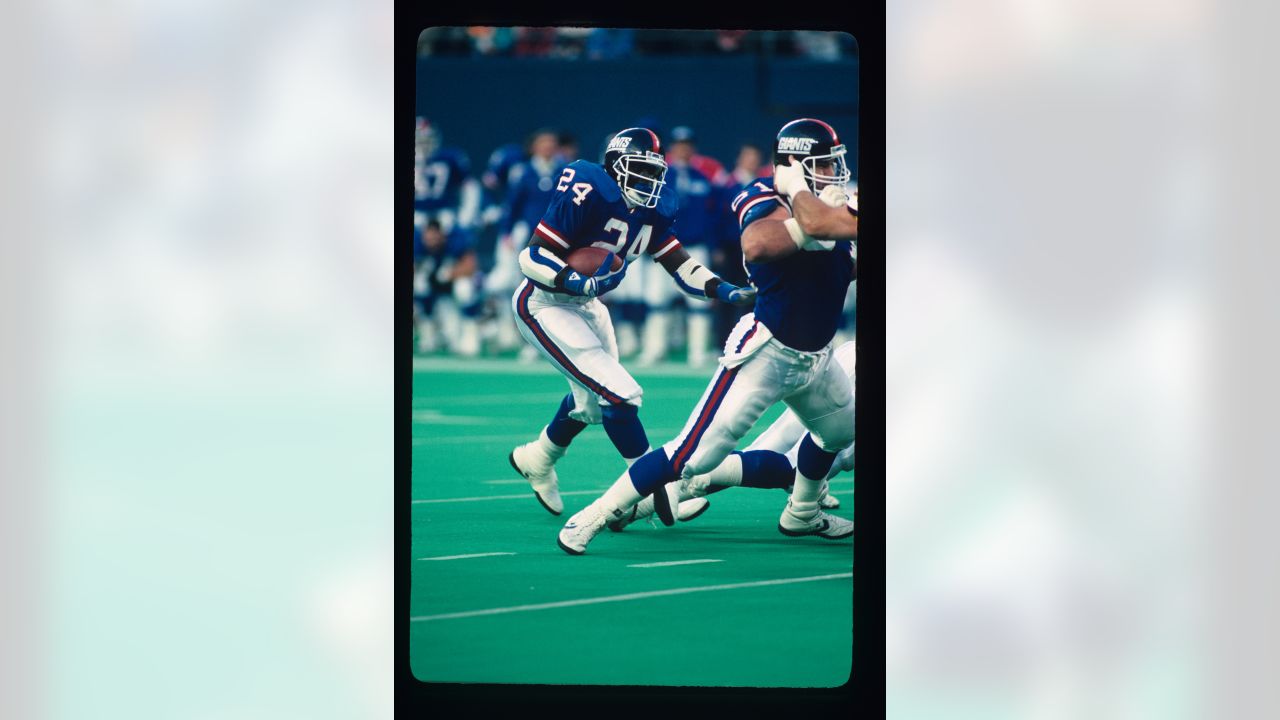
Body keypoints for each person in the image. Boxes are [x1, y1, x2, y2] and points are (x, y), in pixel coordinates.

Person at [557, 118, 858, 554]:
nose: (834, 174)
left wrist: (834, 228)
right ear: (794, 163)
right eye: (824, 165)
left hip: (817, 358)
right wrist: (805, 205)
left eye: (834, 165)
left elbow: (839, 263)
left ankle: (803, 512)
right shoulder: (763, 194)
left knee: (839, 433)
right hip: (766, 352)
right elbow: (758, 245)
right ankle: (594, 515)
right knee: (690, 456)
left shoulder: (829, 206)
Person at [508, 128, 756, 516]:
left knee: (590, 403)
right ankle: (659, 491)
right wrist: (576, 279)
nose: (650, 181)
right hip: (545, 303)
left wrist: (726, 290)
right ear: (614, 167)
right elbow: (531, 257)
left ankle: (537, 459)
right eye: (640, 170)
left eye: (655, 172)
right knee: (620, 394)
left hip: (588, 306)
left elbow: (681, 264)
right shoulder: (588, 188)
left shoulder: (652, 211)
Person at [607, 340, 853, 531]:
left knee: (775, 451)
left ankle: (633, 506)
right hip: (816, 355)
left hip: (834, 355)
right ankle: (668, 484)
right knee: (796, 471)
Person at [635, 126, 723, 367]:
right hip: (662, 247)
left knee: (700, 299)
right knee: (656, 300)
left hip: (695, 246)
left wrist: (712, 244)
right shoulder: (657, 176)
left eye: (688, 144)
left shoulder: (702, 178)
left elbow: (713, 216)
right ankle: (654, 349)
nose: (683, 149)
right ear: (671, 148)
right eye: (679, 144)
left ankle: (697, 352)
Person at [488, 130, 564, 359]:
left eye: (552, 143)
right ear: (534, 147)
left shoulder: (564, 171)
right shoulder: (524, 172)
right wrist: (507, 232)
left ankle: (548, 341)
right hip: (529, 238)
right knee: (517, 286)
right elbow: (512, 205)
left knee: (550, 288)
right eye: (543, 143)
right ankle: (510, 334)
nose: (548, 147)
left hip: (557, 238)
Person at [414, 118, 482, 354]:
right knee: (418, 283)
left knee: (465, 288)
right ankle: (428, 330)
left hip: (451, 274)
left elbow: (470, 266)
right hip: (430, 278)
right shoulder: (416, 230)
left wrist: (445, 273)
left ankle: (471, 331)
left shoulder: (452, 228)